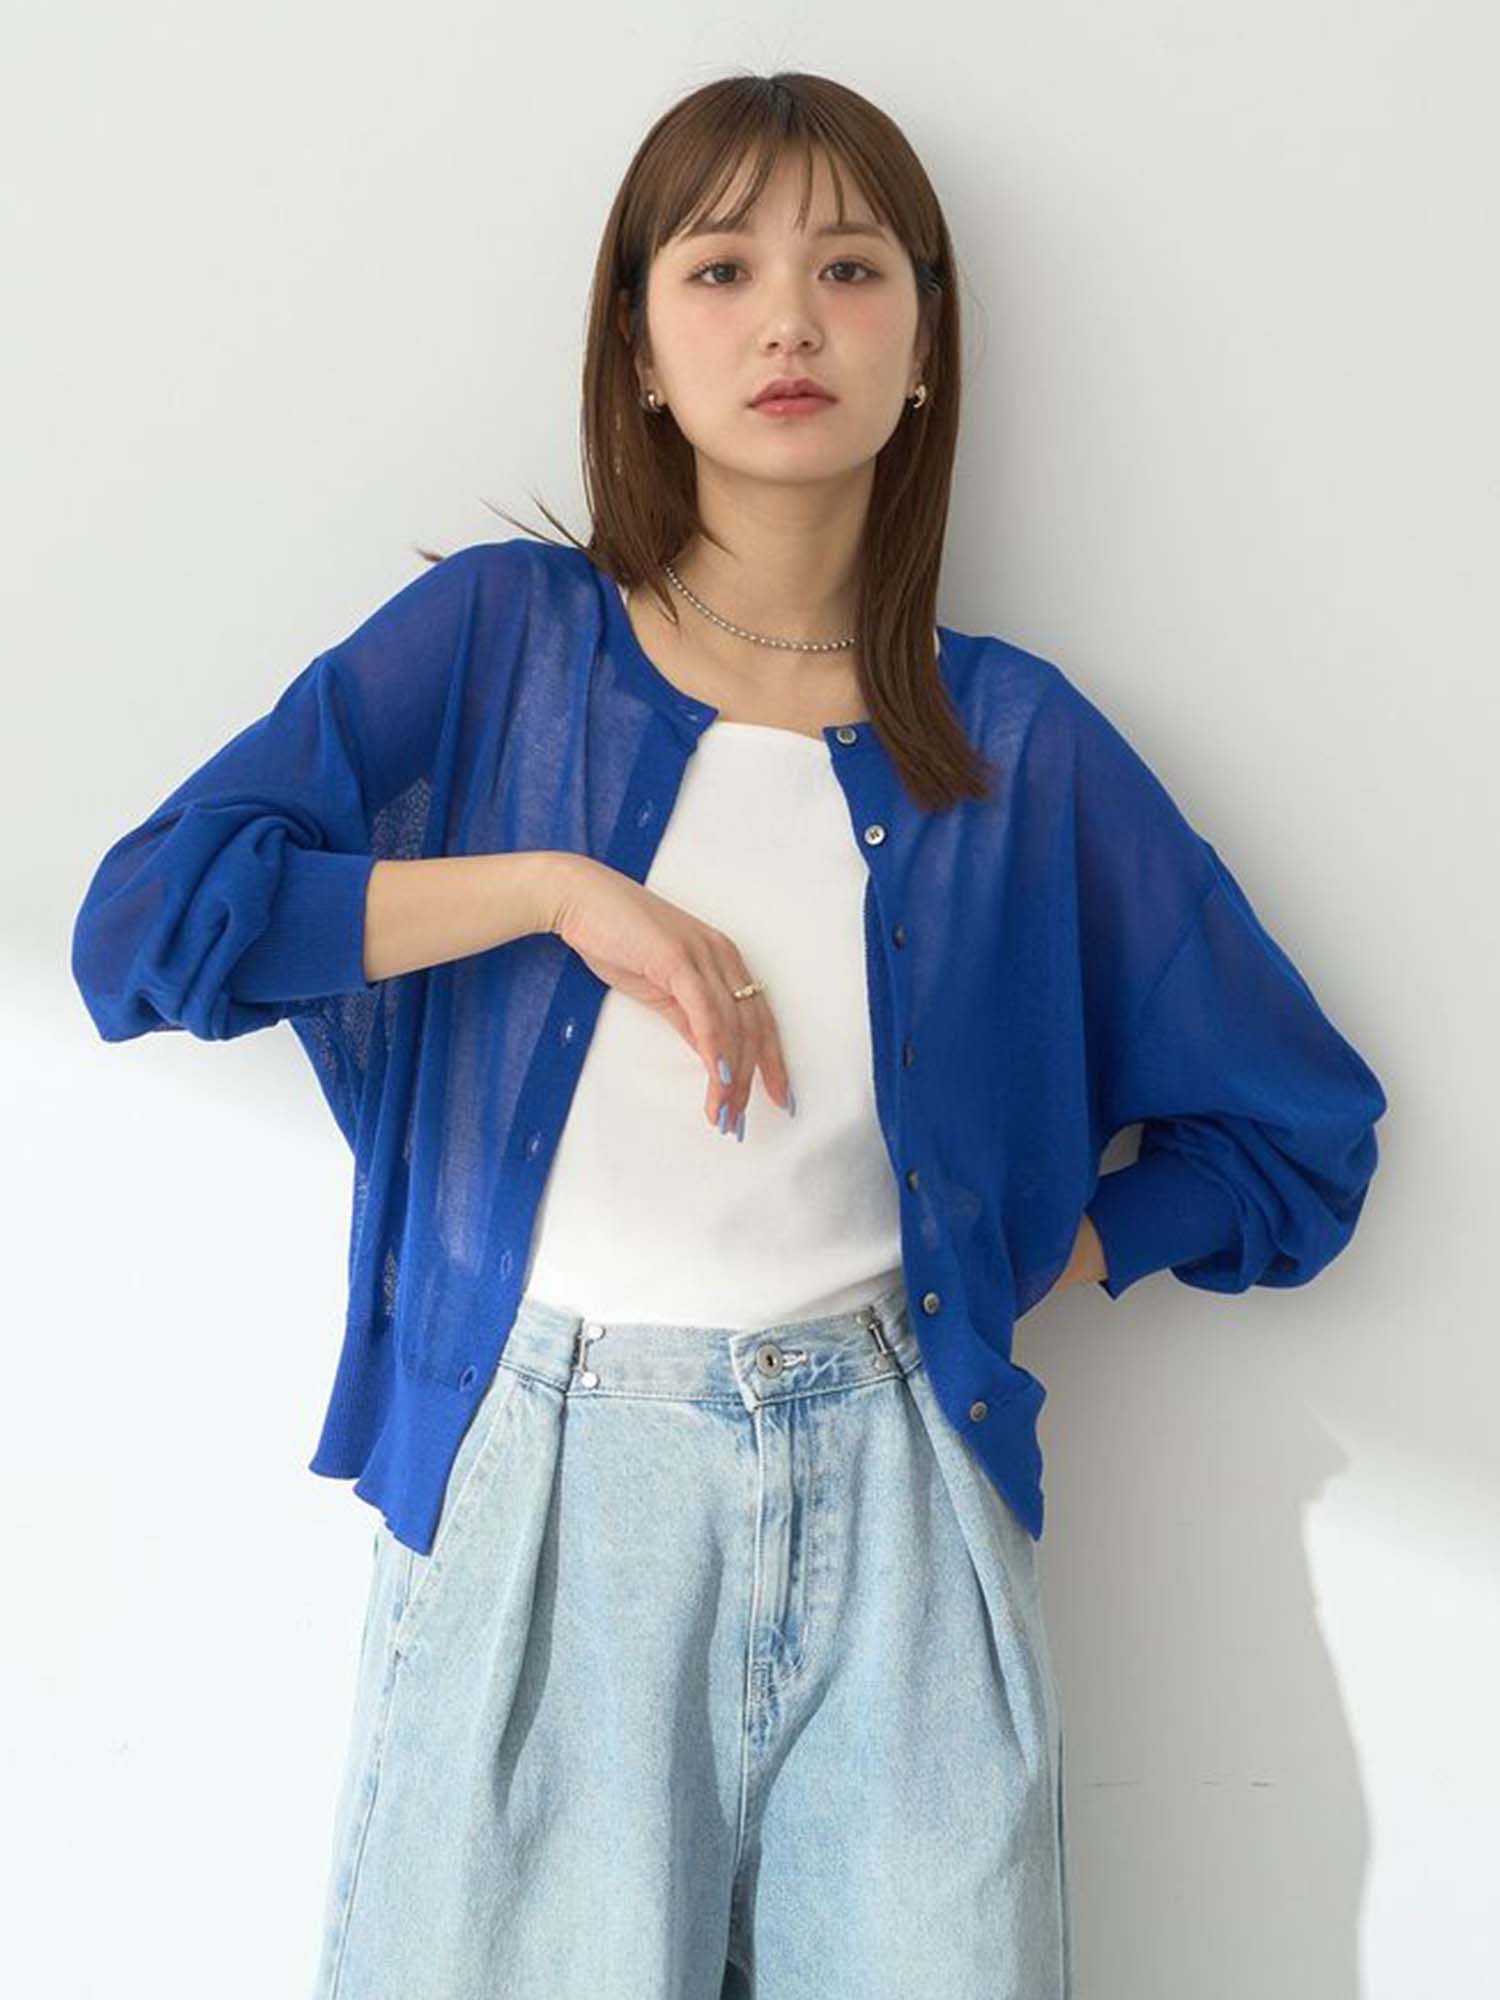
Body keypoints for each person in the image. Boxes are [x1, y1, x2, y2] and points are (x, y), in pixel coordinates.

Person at [70, 71, 1386, 2000]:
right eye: (721, 269)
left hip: (906, 1520)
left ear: (925, 348)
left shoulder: (1015, 746)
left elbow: (1296, 1133)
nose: (790, 321)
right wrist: (552, 891)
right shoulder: (502, 646)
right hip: (551, 1497)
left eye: (851, 270)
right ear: (638, 342)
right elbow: (147, 930)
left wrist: (1020, 1258)